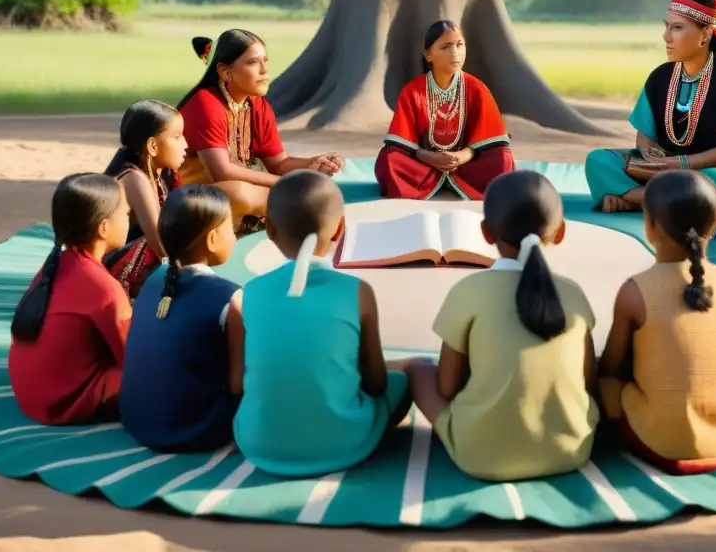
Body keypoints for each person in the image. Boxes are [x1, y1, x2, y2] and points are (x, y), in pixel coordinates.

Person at [406, 170, 598, 481]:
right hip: (570, 452)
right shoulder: (573, 292)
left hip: (481, 456)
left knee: (418, 370)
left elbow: (446, 387)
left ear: (485, 232)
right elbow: (588, 381)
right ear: (560, 232)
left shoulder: (468, 290)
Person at [233, 170, 411, 476]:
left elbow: (245, 379)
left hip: (259, 443)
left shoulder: (250, 293)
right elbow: (377, 383)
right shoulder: (357, 291)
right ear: (340, 228)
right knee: (407, 379)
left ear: (270, 229)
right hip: (344, 443)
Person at [596, 170, 716, 474]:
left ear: (650, 227)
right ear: (714, 226)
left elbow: (610, 367)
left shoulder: (635, 290)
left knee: (604, 385)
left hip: (666, 441)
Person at [584, 0, 716, 215]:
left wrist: (683, 165)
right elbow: (645, 136)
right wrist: (652, 159)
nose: (666, 36)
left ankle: (637, 198)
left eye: (678, 28)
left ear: (705, 34)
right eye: (667, 26)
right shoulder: (660, 77)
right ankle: (665, 200)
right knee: (599, 161)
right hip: (666, 168)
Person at [177, 29, 344, 230]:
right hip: (184, 203)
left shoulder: (258, 106)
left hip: (230, 198)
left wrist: (312, 164)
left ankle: (282, 210)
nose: (264, 70)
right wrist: (286, 184)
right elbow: (222, 172)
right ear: (225, 72)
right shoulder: (206, 103)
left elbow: (280, 164)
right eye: (253, 62)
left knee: (312, 190)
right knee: (240, 192)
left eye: (265, 60)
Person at [121, 185, 242, 453]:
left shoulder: (152, 281)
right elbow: (237, 385)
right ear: (212, 239)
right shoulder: (231, 297)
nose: (234, 236)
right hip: (194, 430)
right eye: (231, 228)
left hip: (136, 420)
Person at [8, 174, 132, 425]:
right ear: (104, 227)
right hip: (60, 403)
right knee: (163, 377)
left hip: (28, 395)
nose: (130, 218)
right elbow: (131, 360)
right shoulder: (102, 286)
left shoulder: (55, 265)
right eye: (126, 213)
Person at [375, 20, 515, 200]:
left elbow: (492, 137)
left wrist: (463, 155)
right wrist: (428, 157)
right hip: (422, 163)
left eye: (459, 45)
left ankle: (457, 178)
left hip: (466, 165)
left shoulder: (477, 88)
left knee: (502, 159)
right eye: (446, 47)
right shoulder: (413, 91)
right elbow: (400, 140)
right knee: (389, 160)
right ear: (428, 55)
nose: (455, 53)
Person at [102, 100, 187, 298]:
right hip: (110, 269)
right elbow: (159, 241)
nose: (186, 144)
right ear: (152, 146)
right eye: (177, 137)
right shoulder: (134, 178)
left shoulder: (160, 173)